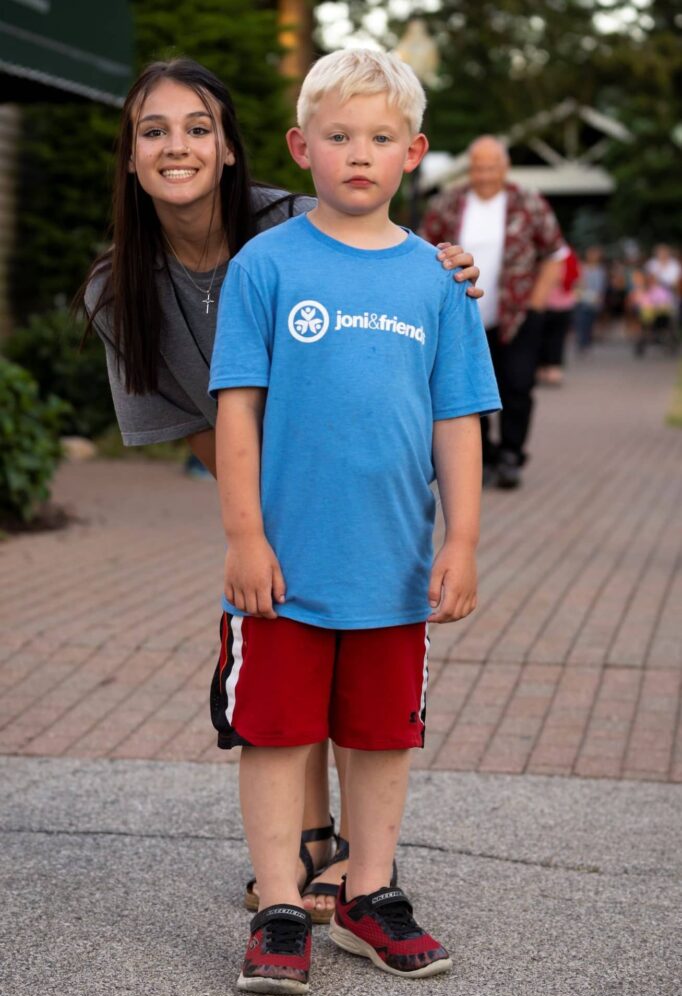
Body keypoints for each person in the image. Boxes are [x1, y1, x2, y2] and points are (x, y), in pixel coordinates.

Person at [81, 58, 483, 923]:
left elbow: (378, 241)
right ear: (129, 155)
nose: (176, 146)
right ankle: (299, 857)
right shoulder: (118, 288)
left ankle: (343, 860)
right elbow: (186, 420)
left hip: (365, 506)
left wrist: (445, 266)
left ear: (231, 148)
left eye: (198, 127)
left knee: (358, 677)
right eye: (153, 131)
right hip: (263, 483)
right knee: (283, 668)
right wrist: (254, 519)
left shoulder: (293, 220)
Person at [209, 48, 501, 995]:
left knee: (381, 738)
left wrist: (461, 542)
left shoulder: (433, 281)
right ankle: (284, 905)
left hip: (391, 567)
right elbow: (237, 411)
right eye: (338, 136)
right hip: (286, 569)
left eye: (380, 137)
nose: (358, 154)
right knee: (277, 735)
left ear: (414, 152)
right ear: (302, 149)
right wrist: (245, 535)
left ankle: (369, 896)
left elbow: (458, 420)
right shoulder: (267, 264)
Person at [420, 135, 566, 489]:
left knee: (517, 385)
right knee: (469, 389)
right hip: (462, 316)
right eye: (478, 168)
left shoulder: (528, 203)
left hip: (517, 315)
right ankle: (483, 456)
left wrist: (536, 303)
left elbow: (556, 255)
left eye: (491, 168)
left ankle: (512, 455)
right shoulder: (449, 203)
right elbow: (423, 248)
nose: (484, 175)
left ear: (505, 167)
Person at [537, 246, 580, 386]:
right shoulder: (570, 256)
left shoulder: (548, 255)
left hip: (546, 303)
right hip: (565, 304)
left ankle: (543, 369)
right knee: (558, 338)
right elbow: (577, 277)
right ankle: (554, 369)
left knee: (543, 337)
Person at [573, 245, 607, 353]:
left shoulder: (601, 270)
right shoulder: (582, 268)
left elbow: (602, 286)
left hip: (595, 300)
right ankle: (582, 343)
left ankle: (587, 342)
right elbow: (578, 283)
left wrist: (600, 297)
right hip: (583, 298)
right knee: (582, 321)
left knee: (590, 323)